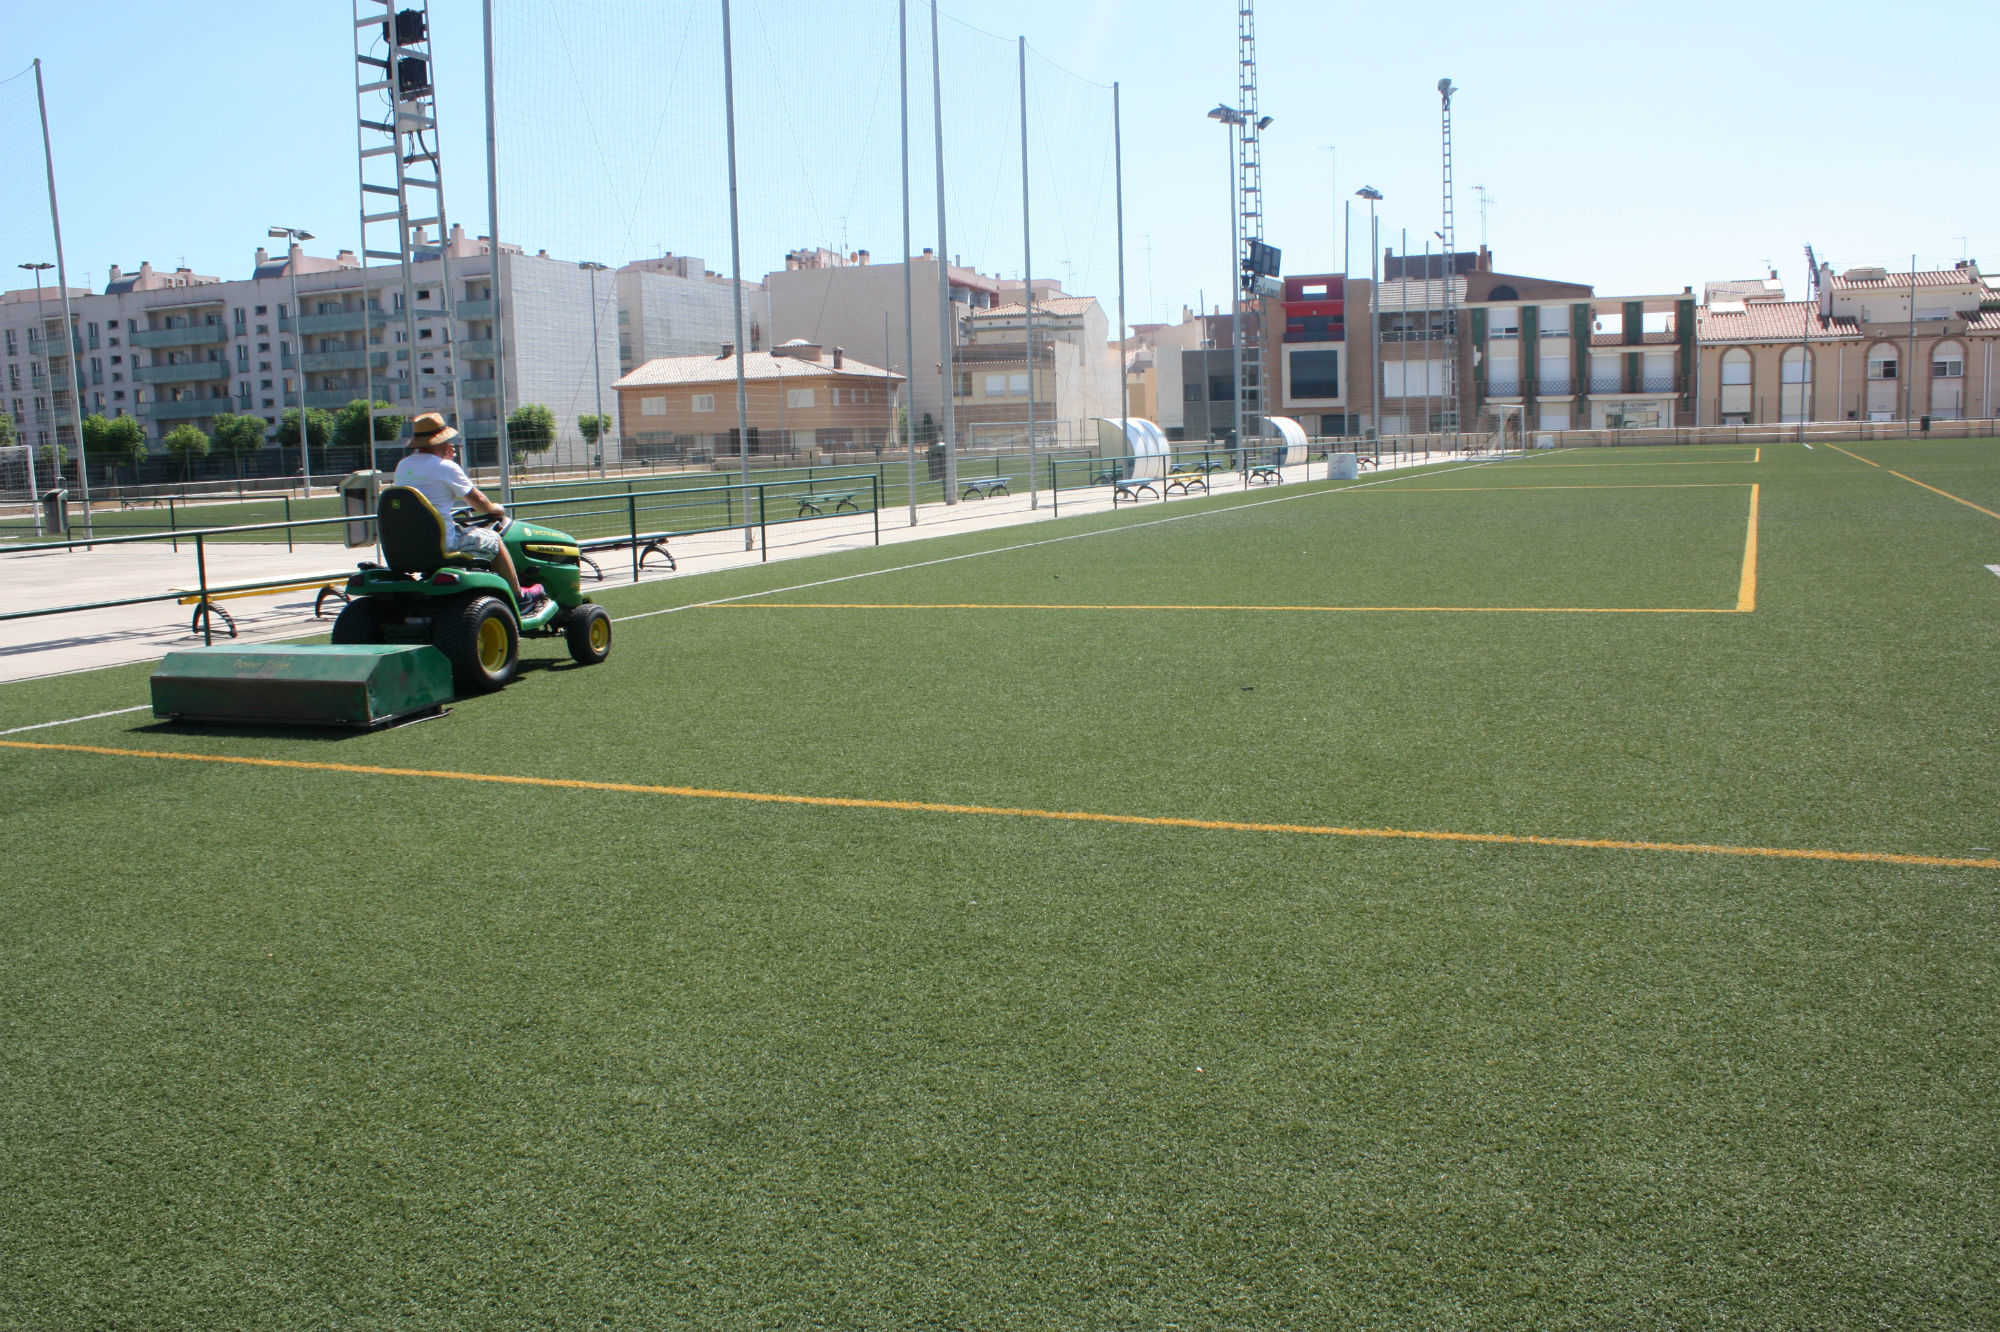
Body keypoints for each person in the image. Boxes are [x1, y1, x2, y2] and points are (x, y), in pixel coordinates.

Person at [391, 412, 543, 607]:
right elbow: (478, 501)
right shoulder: (446, 467)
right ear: (440, 441)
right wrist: (495, 509)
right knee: (495, 540)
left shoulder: (402, 466)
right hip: (444, 543)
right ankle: (519, 596)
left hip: (410, 544)